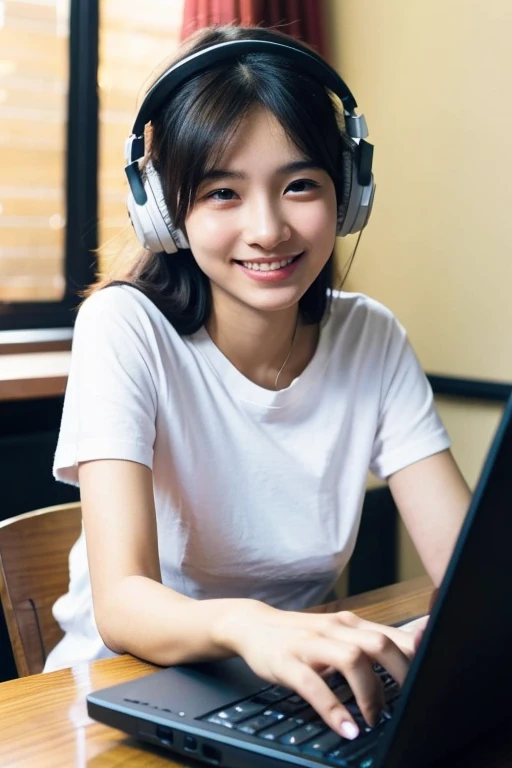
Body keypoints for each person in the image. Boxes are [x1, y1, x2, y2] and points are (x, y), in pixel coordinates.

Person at [44, 24, 470, 742]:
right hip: (118, 698)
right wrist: (252, 625)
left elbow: (464, 565)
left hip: (289, 693)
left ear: (350, 193)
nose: (268, 228)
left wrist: (457, 629)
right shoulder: (124, 328)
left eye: (300, 184)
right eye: (222, 193)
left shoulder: (370, 337)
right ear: (163, 211)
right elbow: (121, 605)